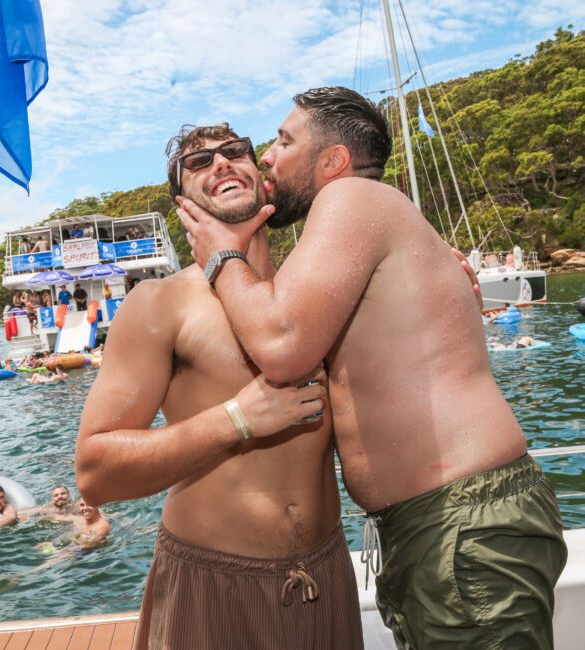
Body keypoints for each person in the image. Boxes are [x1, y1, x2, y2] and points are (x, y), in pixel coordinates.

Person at [177, 88, 567, 649]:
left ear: (333, 161)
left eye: (284, 141)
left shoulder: (351, 199)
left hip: (463, 522)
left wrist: (218, 253)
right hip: (444, 524)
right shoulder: (366, 221)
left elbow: (282, 346)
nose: (267, 156)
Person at [75, 128, 363, 649]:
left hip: (326, 574)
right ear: (184, 204)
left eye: (235, 153)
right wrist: (237, 418)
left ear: (265, 181)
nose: (222, 164)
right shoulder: (160, 304)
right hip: (211, 584)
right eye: (200, 161)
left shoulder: (320, 289)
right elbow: (96, 473)